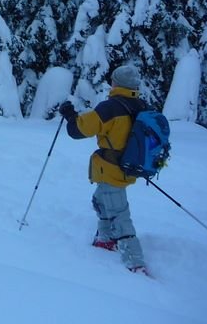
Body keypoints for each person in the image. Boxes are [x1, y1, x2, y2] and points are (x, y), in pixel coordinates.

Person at [59, 64, 149, 276]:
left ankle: (135, 262)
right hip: (128, 166)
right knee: (100, 200)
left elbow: (78, 130)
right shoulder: (141, 105)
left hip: (112, 168)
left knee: (119, 213)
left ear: (116, 83)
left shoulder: (111, 108)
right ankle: (105, 239)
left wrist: (70, 115)